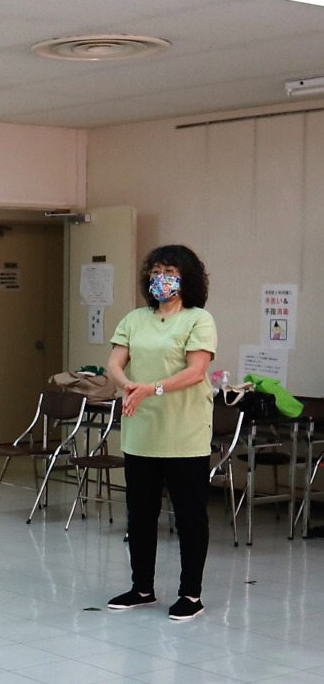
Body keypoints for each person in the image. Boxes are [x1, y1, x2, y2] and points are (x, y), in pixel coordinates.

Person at [105, 244, 217, 621]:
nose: (160, 278)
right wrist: (127, 384)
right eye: (155, 272)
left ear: (186, 278)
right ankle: (142, 587)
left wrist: (151, 388)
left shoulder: (199, 319)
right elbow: (114, 363)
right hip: (142, 432)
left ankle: (191, 594)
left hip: (184, 434)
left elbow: (196, 371)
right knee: (140, 514)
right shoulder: (134, 319)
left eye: (169, 272)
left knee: (189, 517)